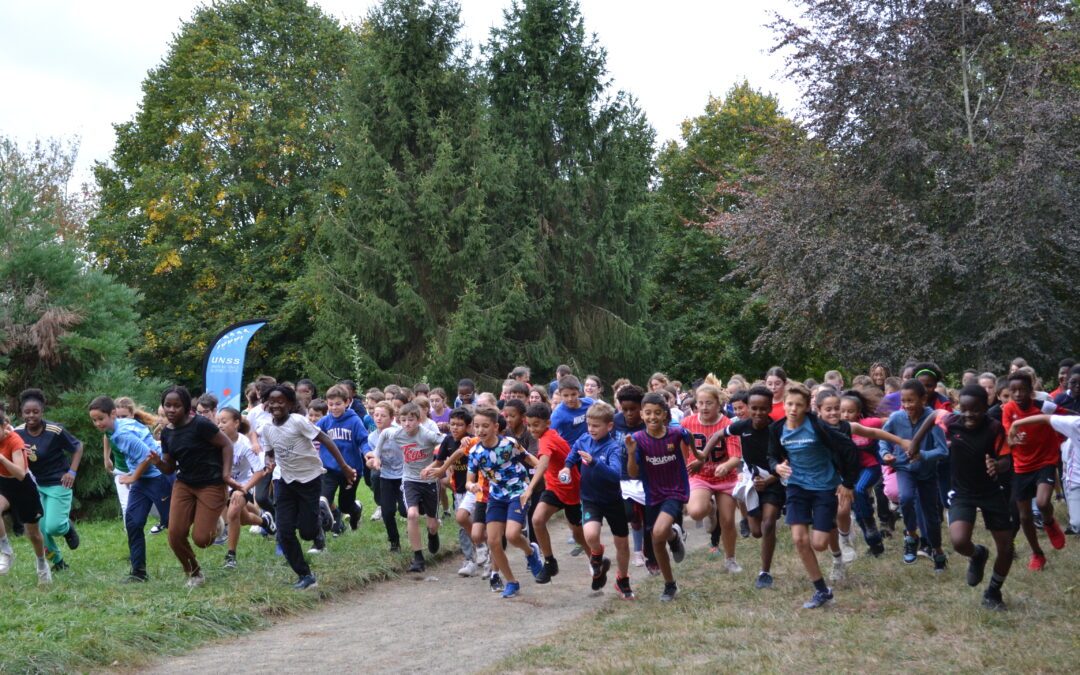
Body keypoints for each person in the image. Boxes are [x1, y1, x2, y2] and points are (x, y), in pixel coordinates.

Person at [909, 386, 1015, 610]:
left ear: (985, 408)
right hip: (962, 493)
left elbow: (1007, 459)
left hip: (991, 492)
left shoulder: (995, 428)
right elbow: (933, 416)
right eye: (964, 409)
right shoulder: (952, 421)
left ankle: (993, 592)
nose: (969, 415)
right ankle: (978, 555)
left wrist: (997, 465)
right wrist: (915, 442)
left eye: (975, 410)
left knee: (1006, 548)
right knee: (958, 541)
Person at [768, 383, 858, 609]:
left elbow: (849, 450)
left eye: (799, 405)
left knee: (819, 544)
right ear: (783, 404)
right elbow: (771, 456)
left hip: (824, 487)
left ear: (808, 407)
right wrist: (776, 467)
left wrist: (847, 483)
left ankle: (840, 543)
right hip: (797, 486)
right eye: (789, 404)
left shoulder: (818, 426)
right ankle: (822, 590)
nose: (793, 409)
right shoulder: (777, 429)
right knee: (799, 539)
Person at [260, 385, 356, 590]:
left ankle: (322, 519)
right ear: (267, 404)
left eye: (281, 401)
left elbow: (325, 439)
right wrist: (269, 461)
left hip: (310, 479)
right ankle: (305, 575)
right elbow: (270, 452)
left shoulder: (298, 422)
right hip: (284, 481)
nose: (276, 404)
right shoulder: (267, 429)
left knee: (306, 532)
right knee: (284, 531)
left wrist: (345, 466)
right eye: (272, 401)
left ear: (290, 404)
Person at [146, 386, 233, 587]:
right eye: (168, 405)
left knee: (202, 539)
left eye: (177, 405)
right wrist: (158, 462)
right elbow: (169, 468)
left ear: (186, 407)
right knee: (175, 535)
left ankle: (215, 523)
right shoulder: (167, 433)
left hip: (211, 483)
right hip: (184, 484)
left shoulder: (200, 425)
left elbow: (226, 444)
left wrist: (226, 474)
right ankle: (194, 573)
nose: (171, 409)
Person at [88, 396, 176, 582]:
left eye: (100, 419)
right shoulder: (115, 428)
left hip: (158, 477)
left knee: (173, 524)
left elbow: (148, 455)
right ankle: (138, 573)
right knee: (133, 523)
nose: (97, 423)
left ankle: (201, 524)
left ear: (113, 414)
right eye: (94, 420)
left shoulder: (122, 434)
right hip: (142, 482)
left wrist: (133, 476)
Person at [466, 407, 543, 598]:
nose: (480, 430)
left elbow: (530, 459)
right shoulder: (475, 452)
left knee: (512, 535)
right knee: (493, 541)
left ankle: (530, 551)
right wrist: (472, 486)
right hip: (496, 496)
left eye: (485, 426)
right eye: (476, 426)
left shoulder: (509, 444)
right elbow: (469, 479)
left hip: (518, 491)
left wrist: (543, 471)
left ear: (495, 426)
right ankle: (512, 582)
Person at [711, 386, 782, 589]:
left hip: (774, 481)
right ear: (747, 408)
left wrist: (769, 480)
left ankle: (765, 572)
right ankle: (753, 514)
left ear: (770, 408)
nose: (758, 413)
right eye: (754, 408)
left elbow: (787, 462)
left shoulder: (777, 429)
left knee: (768, 524)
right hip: (751, 482)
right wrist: (700, 456)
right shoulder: (742, 426)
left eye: (763, 408)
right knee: (756, 531)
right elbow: (718, 435)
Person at [562, 401, 634, 599]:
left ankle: (623, 579)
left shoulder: (613, 448)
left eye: (596, 425)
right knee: (591, 536)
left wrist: (594, 463)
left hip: (613, 501)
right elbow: (573, 454)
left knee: (622, 543)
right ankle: (597, 554)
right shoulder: (584, 440)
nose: (591, 429)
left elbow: (615, 474)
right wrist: (567, 467)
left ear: (609, 426)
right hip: (590, 498)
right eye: (589, 424)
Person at [625, 392, 692, 602]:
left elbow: (694, 453)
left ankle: (672, 534)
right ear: (642, 415)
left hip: (675, 491)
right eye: (648, 413)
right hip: (652, 495)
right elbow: (633, 473)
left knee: (659, 531)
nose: (652, 417)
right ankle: (670, 584)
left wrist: (697, 460)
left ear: (665, 415)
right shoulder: (637, 440)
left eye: (657, 413)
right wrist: (630, 453)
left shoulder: (676, 433)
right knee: (656, 539)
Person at [1000, 371, 1068, 570]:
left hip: (1046, 460)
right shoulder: (1008, 409)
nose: (1018, 394)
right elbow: (1008, 435)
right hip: (1021, 466)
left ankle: (1049, 521)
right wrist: (1014, 440)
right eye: (1013, 391)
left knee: (1042, 500)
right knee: (1024, 517)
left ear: (1031, 390)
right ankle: (1037, 553)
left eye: (1022, 390)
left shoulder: (1044, 405)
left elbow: (1067, 415)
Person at [879, 380, 949, 570]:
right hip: (904, 468)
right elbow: (883, 439)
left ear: (923, 399)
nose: (907, 405)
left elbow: (943, 451)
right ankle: (911, 536)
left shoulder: (932, 419)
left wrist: (923, 455)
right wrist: (885, 454)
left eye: (911, 400)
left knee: (931, 515)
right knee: (906, 498)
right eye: (904, 401)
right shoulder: (896, 418)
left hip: (927, 473)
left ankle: (937, 550)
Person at [14, 389, 83, 572]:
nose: (31, 415)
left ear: (42, 412)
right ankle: (58, 562)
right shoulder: (17, 432)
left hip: (58, 483)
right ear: (22, 413)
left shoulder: (55, 431)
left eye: (35, 412)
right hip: (34, 485)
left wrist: (72, 472)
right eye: (27, 412)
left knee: (53, 527)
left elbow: (78, 446)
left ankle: (67, 528)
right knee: (37, 531)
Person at [371, 402, 444, 573]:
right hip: (410, 479)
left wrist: (436, 466)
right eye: (403, 420)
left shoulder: (427, 435)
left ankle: (433, 534)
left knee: (432, 524)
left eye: (410, 420)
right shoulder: (396, 432)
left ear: (418, 420)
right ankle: (418, 558)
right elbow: (383, 436)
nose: (406, 424)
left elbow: (446, 443)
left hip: (429, 481)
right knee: (411, 514)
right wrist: (377, 457)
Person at [522, 402, 589, 583]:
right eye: (529, 425)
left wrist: (530, 489)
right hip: (554, 488)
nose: (532, 429)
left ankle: (595, 559)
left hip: (570, 490)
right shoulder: (546, 437)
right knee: (537, 520)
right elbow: (545, 462)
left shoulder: (547, 439)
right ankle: (550, 562)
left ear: (548, 423)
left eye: (536, 424)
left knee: (578, 533)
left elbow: (543, 463)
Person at [683, 385, 742, 572]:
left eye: (709, 403)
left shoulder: (727, 424)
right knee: (695, 512)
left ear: (719, 404)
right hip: (699, 476)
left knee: (727, 520)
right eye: (700, 403)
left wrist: (726, 465)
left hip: (724, 476)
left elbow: (735, 457)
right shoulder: (687, 423)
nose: (704, 407)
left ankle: (730, 559)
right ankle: (710, 509)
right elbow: (682, 453)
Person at [423, 407, 483, 576]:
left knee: (475, 523)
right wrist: (428, 468)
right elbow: (439, 461)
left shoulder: (473, 441)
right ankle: (470, 560)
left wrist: (442, 468)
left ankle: (485, 553)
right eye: (452, 424)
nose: (455, 428)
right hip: (459, 490)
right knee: (463, 525)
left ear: (469, 426)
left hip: (476, 489)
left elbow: (455, 456)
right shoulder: (447, 440)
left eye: (459, 425)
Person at [216, 407, 275, 569]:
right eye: (218, 422)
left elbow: (259, 471)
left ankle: (231, 556)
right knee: (243, 519)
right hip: (224, 486)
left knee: (233, 513)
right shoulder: (214, 441)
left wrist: (243, 489)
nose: (220, 425)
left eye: (224, 421)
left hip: (243, 484)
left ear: (236, 423)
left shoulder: (244, 444)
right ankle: (264, 520)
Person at [1008, 410, 1080, 536]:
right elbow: (1046, 418)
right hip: (1076, 481)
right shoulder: (1075, 424)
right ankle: (1051, 523)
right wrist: (1016, 423)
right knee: (1078, 523)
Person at [0, 410, 51, 584]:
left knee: (33, 534)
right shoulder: (5, 431)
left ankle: (42, 564)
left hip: (23, 486)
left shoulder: (15, 441)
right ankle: (6, 552)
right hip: (3, 484)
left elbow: (21, 473)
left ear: (4, 427)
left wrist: (0, 458)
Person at [317, 385, 368, 536]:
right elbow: (310, 433)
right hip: (329, 469)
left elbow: (363, 440)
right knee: (323, 499)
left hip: (350, 471)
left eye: (338, 404)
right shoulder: (325, 421)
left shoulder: (354, 421)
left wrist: (368, 453)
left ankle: (355, 509)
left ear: (347, 402)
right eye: (331, 404)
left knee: (346, 505)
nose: (334, 407)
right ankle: (329, 527)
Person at [613, 385, 649, 570]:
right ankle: (638, 551)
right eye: (624, 409)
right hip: (623, 476)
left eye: (632, 409)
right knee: (630, 514)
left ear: (640, 408)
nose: (628, 413)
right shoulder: (615, 421)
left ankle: (646, 550)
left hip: (646, 475)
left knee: (649, 517)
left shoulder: (648, 423)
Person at [550, 375, 594, 446]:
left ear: (579, 392)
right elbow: (548, 434)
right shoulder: (558, 413)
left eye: (573, 394)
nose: (570, 399)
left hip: (590, 446)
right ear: (560, 395)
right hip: (569, 451)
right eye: (566, 395)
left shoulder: (590, 403)